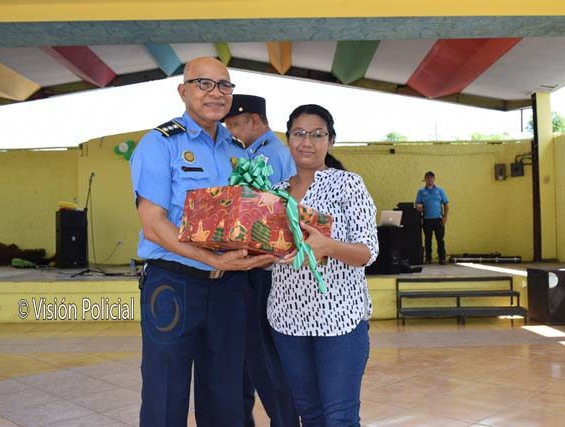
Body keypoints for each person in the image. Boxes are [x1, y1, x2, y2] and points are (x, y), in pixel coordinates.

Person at [130, 56, 275, 427]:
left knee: (227, 395)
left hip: (230, 288)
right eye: (204, 83)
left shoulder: (238, 151)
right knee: (166, 392)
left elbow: (248, 219)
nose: (216, 93)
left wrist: (273, 247)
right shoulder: (159, 144)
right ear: (183, 91)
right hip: (173, 285)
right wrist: (214, 260)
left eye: (224, 85)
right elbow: (153, 226)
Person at [267, 104, 379, 426]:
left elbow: (368, 251)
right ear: (288, 139)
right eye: (299, 134)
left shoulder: (348, 184)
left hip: (339, 317)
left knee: (339, 417)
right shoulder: (274, 194)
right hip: (287, 319)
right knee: (310, 413)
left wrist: (328, 246)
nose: (307, 142)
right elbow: (268, 259)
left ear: (330, 140)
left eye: (317, 135)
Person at [223, 94, 300, 427]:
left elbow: (264, 215)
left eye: (235, 124)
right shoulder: (255, 153)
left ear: (255, 120)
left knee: (264, 359)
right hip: (252, 267)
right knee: (247, 358)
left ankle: (283, 421)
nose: (230, 132)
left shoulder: (270, 155)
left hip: (263, 269)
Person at [415, 171, 450, 265]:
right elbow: (417, 204)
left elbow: (446, 204)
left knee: (440, 240)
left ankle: (442, 258)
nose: (429, 179)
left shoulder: (440, 191)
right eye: (427, 178)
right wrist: (418, 207)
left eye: (431, 177)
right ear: (425, 180)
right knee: (427, 240)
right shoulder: (421, 192)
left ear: (434, 179)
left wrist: (445, 216)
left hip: (438, 219)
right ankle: (428, 258)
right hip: (426, 219)